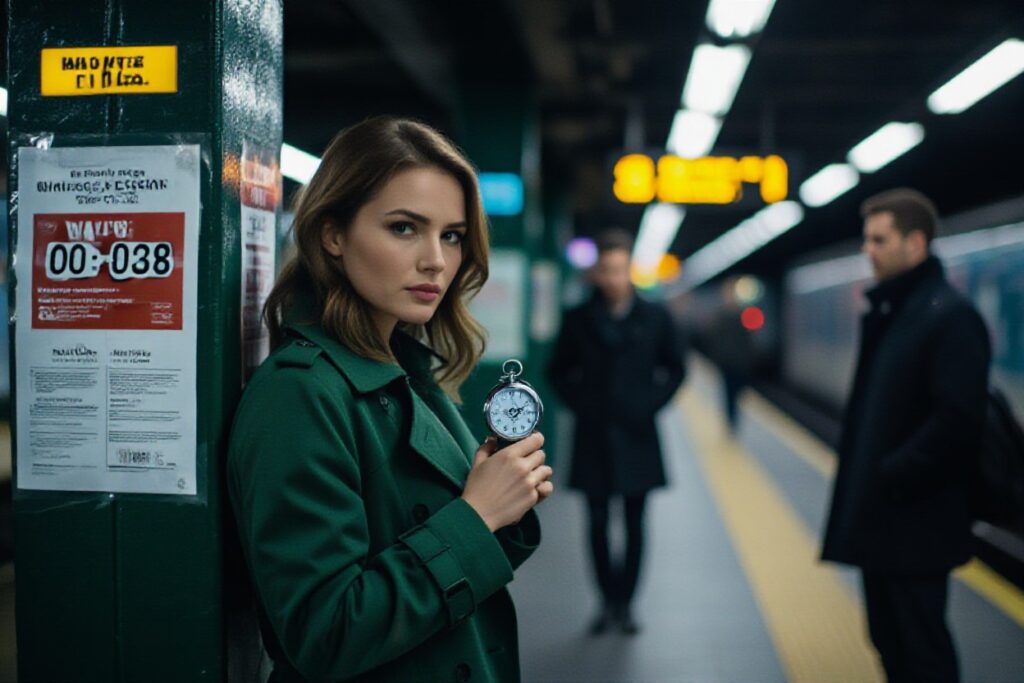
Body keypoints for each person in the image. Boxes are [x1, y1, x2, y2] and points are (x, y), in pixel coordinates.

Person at [227, 117, 553, 683]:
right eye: (405, 228)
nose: (436, 261)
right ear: (333, 234)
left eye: (451, 235)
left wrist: (502, 502)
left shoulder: (405, 367)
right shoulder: (299, 393)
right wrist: (478, 515)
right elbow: (323, 631)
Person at [821, 188, 990, 683]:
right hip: (886, 517)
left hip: (917, 521)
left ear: (915, 243)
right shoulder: (896, 311)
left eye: (879, 239)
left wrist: (892, 473)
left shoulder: (949, 316)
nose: (866, 250)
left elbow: (958, 419)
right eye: (866, 239)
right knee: (889, 640)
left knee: (922, 651)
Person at [547, 228, 685, 635]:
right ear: (596, 273)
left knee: (636, 521)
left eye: (620, 270)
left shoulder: (656, 317)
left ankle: (627, 603)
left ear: (630, 271)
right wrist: (582, 405)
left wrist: (649, 405)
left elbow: (676, 368)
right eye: (606, 270)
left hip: (639, 433)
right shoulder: (577, 318)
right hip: (594, 433)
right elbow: (557, 371)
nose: (613, 278)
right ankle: (605, 601)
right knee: (596, 522)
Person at [704, 278, 756, 433]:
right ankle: (730, 421)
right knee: (728, 393)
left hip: (739, 363)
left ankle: (732, 420)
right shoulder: (721, 316)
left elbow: (749, 340)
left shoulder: (741, 315)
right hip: (726, 364)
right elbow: (713, 339)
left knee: (736, 393)